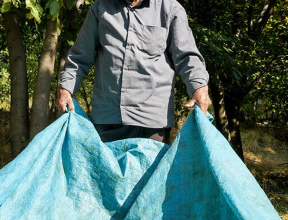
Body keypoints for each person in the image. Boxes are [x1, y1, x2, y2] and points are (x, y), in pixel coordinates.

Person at [56, 0, 211, 143]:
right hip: (107, 117)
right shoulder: (100, 8)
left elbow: (187, 56)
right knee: (105, 172)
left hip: (152, 119)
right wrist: (66, 88)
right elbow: (80, 56)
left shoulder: (170, 9)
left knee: (150, 172)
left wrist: (199, 88)